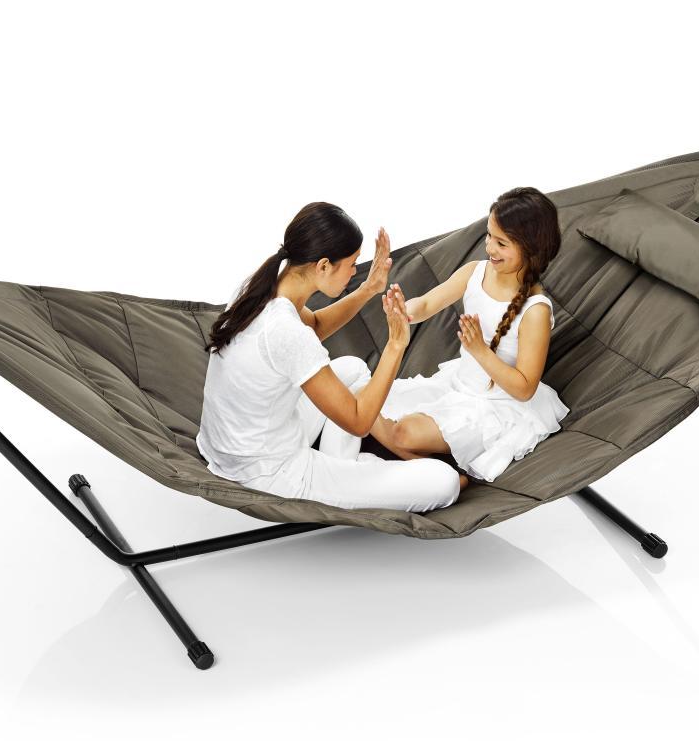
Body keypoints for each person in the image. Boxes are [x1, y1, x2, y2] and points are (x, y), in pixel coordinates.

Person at [196, 202, 463, 512]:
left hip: (231, 447)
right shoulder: (285, 331)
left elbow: (315, 326)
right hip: (270, 474)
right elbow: (359, 422)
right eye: (352, 264)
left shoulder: (260, 287)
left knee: (353, 368)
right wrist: (395, 345)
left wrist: (368, 289)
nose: (354, 272)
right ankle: (342, 472)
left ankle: (338, 462)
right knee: (445, 482)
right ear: (323, 266)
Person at [370, 187, 569, 483]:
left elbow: (524, 388)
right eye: (489, 236)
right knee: (365, 400)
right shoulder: (476, 271)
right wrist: (404, 312)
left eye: (501, 243)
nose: (489, 248)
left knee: (401, 432)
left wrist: (480, 351)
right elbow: (427, 303)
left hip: (493, 407)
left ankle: (444, 478)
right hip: (456, 386)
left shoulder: (535, 310)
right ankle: (437, 472)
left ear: (530, 249)